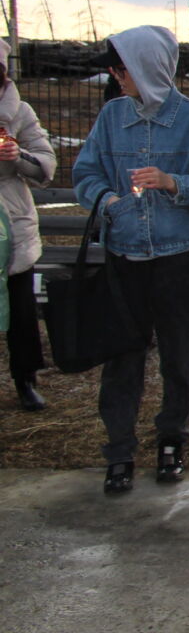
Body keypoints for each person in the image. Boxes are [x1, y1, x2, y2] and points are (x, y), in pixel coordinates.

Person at [73, 26, 189, 493]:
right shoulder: (111, 116)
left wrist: (174, 183)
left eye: (122, 68)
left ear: (147, 67)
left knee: (179, 356)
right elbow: (85, 172)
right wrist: (109, 201)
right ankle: (119, 450)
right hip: (125, 255)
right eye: (115, 69)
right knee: (122, 359)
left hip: (179, 256)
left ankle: (172, 439)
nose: (117, 77)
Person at [0, 39, 57, 412]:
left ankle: (26, 379)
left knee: (20, 310)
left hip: (10, 222)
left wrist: (17, 155)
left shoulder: (19, 112)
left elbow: (45, 164)